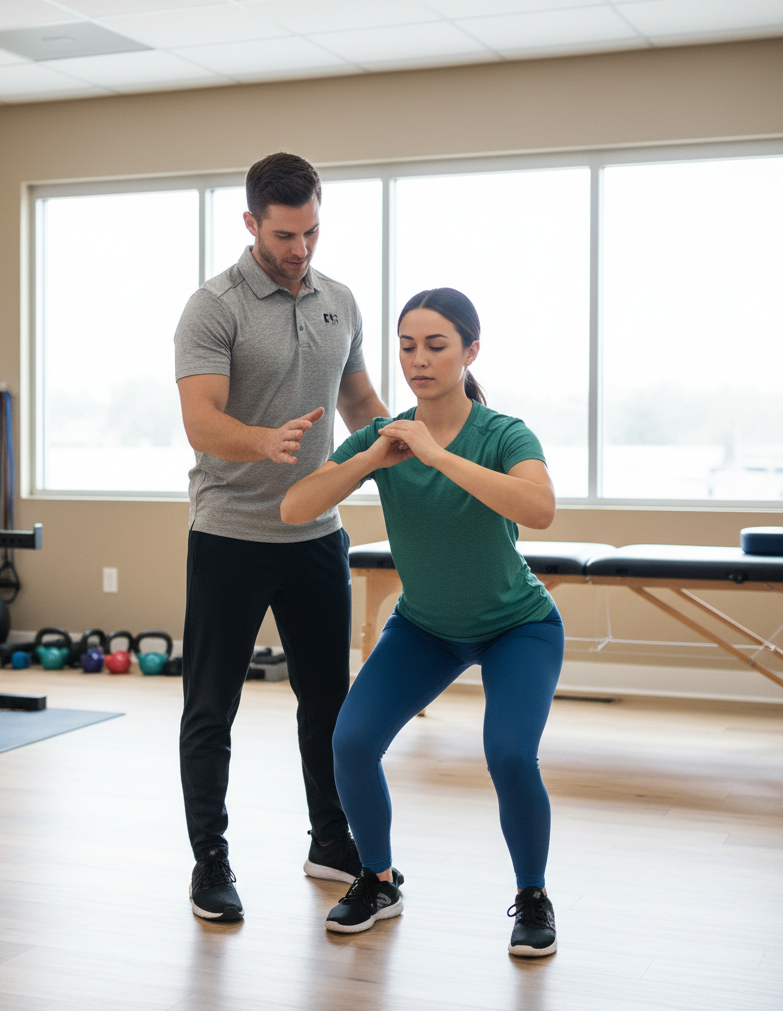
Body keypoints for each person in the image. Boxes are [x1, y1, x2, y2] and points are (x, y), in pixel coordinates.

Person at [281, 287, 563, 956]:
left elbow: (539, 508)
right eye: (407, 346)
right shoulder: (386, 438)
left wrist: (438, 456)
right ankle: (377, 881)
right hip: (426, 628)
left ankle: (533, 897)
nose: (419, 360)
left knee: (510, 754)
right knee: (349, 744)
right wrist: (370, 460)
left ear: (470, 351)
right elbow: (296, 507)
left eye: (436, 346)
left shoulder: (503, 433)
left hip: (517, 626)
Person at [174, 152, 390, 922]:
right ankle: (210, 863)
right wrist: (262, 442)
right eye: (285, 233)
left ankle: (331, 839)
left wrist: (413, 450)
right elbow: (201, 420)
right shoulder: (214, 307)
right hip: (230, 533)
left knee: (328, 700)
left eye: (312, 231)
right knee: (212, 706)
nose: (301, 248)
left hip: (316, 534)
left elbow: (360, 399)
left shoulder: (340, 300)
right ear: (251, 224)